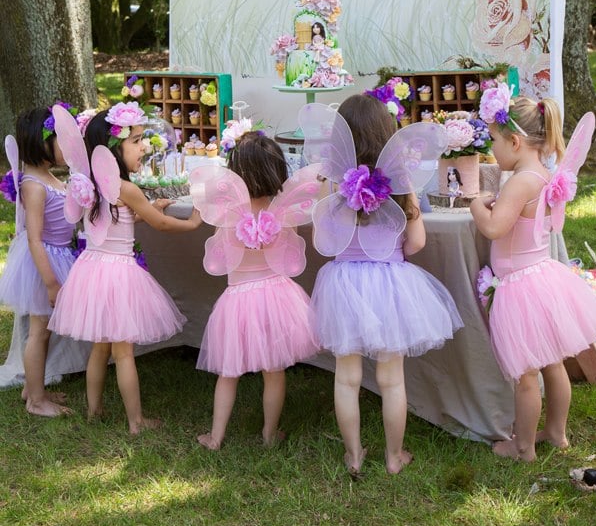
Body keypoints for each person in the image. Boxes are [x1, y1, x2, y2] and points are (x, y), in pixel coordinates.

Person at [301, 95, 463, 477]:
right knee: (392, 379)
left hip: (343, 283)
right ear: (385, 132)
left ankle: (354, 455)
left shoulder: (331, 180)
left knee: (346, 377)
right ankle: (393, 457)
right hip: (390, 282)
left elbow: (322, 241)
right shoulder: (401, 180)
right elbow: (418, 241)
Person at [48, 104, 202, 434]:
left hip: (91, 270)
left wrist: (147, 207)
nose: (143, 147)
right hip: (118, 274)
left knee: (99, 349)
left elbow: (129, 213)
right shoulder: (125, 188)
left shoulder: (87, 184)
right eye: (135, 140)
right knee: (124, 352)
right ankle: (136, 421)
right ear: (113, 148)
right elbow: (159, 224)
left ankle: (94, 411)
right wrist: (191, 223)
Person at [471, 85, 596, 461]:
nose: (492, 151)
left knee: (526, 374)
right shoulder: (544, 174)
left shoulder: (519, 181)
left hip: (520, 286)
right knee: (552, 363)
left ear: (514, 141)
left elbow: (494, 228)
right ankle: (556, 433)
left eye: (494, 142)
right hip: (542, 276)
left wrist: (479, 206)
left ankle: (522, 446)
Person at [190, 130, 321, 450]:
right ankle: (268, 435)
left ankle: (216, 437)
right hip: (277, 296)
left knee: (228, 372)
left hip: (238, 298)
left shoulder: (225, 213)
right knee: (274, 372)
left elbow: (219, 253)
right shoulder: (283, 211)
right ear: (278, 171)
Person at [0, 106, 77, 416]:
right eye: (62, 140)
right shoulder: (34, 185)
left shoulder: (48, 177)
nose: (68, 146)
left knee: (44, 332)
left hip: (57, 255)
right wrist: (50, 282)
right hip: (43, 262)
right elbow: (33, 238)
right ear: (42, 144)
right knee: (39, 332)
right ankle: (36, 402)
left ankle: (33, 388)